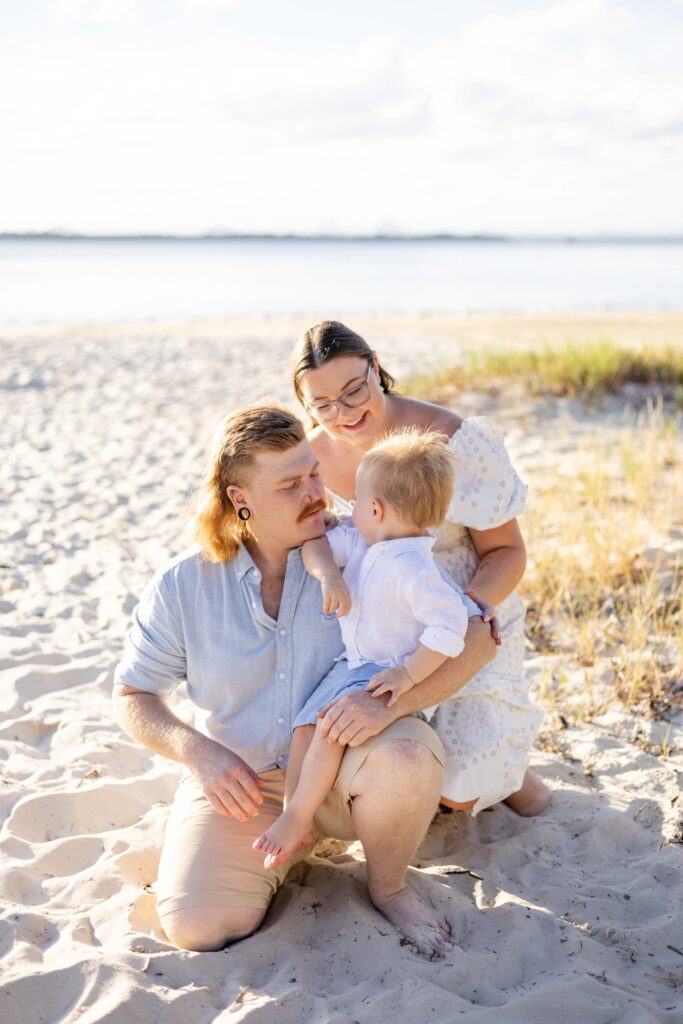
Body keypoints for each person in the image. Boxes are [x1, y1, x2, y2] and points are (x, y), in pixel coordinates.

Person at [113, 403, 497, 958]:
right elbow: (132, 695)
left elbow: (478, 636)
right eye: (291, 483)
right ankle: (281, 845)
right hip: (244, 787)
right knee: (199, 926)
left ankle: (388, 885)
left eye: (313, 472)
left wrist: (389, 706)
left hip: (352, 763)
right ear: (238, 499)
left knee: (409, 757)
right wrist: (197, 753)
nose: (316, 493)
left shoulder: (365, 547)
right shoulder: (183, 584)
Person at [291, 321, 549, 818]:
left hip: (460, 613)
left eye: (354, 390)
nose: (343, 414)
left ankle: (518, 780)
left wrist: (473, 607)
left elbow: (508, 551)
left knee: (456, 792)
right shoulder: (311, 458)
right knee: (392, 760)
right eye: (323, 405)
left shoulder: (452, 441)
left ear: (376, 367)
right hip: (376, 627)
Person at [253, 430, 470, 870]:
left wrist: (408, 675)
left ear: (376, 509)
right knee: (304, 727)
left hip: (383, 671)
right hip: (350, 666)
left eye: (356, 503)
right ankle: (299, 817)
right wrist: (329, 577)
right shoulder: (367, 541)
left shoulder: (415, 569)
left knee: (329, 730)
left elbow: (450, 627)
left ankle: (296, 816)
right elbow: (316, 544)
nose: (347, 513)